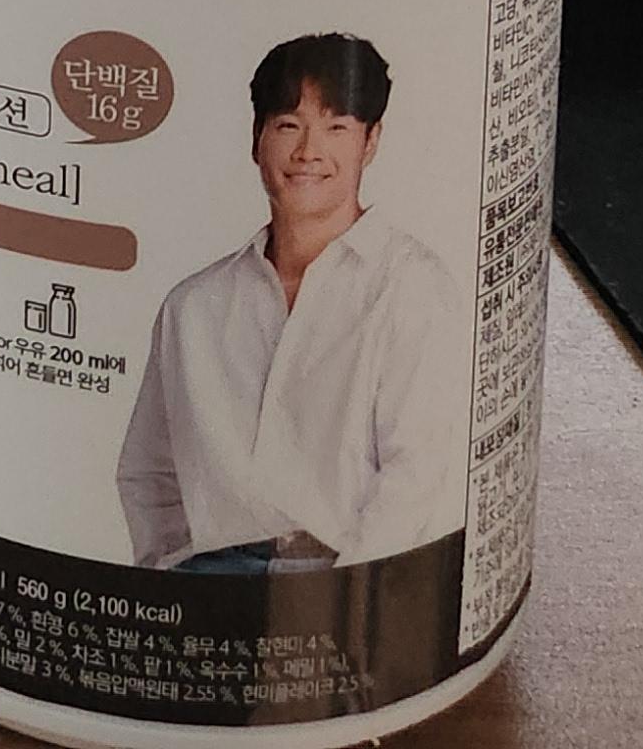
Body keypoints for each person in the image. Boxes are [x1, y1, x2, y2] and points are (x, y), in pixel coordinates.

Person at [114, 34, 467, 572]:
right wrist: (172, 577)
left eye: (336, 127)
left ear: (371, 141)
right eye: (287, 125)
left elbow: (415, 473)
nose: (308, 152)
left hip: (338, 578)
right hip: (207, 578)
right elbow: (148, 472)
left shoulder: (411, 287)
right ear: (256, 139)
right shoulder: (194, 307)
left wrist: (347, 596)